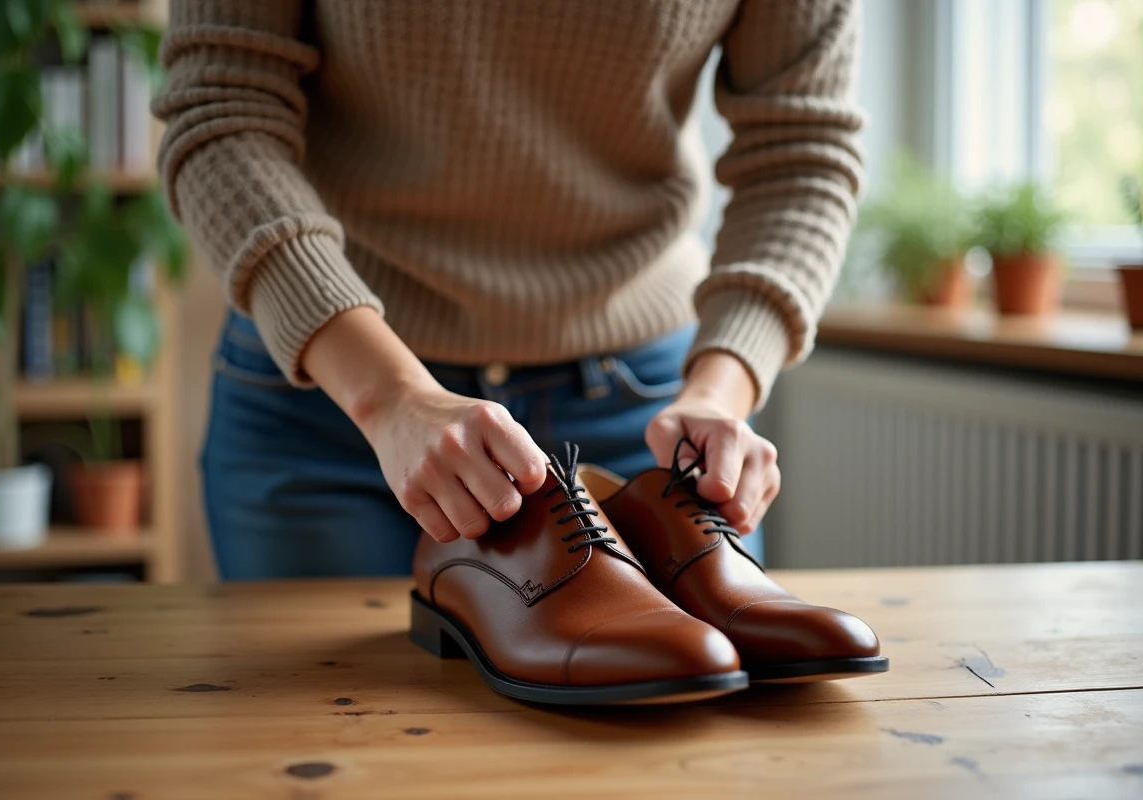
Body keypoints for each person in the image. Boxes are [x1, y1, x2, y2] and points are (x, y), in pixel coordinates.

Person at [155, 0, 863, 580]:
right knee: (336, 739)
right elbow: (222, 106)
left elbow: (801, 155)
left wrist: (721, 390)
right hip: (334, 401)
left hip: (643, 411)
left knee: (687, 731)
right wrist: (389, 397)